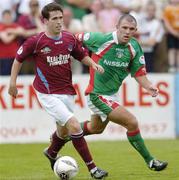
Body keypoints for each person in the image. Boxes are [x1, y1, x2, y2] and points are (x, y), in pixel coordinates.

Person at [45, 14, 168, 172]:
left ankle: (60, 138)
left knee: (96, 128)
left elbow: (138, 73)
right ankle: (151, 161)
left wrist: (148, 86)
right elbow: (73, 38)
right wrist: (60, 54)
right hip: (97, 94)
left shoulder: (134, 47)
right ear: (116, 26)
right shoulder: (101, 39)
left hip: (111, 95)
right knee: (132, 122)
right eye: (124, 28)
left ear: (135, 30)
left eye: (131, 29)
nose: (127, 32)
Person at [8, 2, 108, 179]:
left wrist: (93, 63)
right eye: (54, 18)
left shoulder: (69, 38)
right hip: (47, 93)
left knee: (63, 133)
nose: (59, 22)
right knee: (75, 125)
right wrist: (12, 83)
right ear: (45, 21)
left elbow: (81, 55)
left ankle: (51, 152)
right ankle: (93, 169)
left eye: (60, 18)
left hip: (67, 92)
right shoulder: (36, 41)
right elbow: (18, 59)